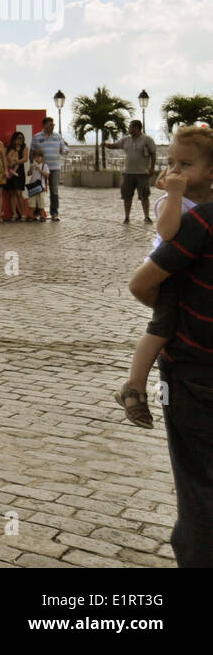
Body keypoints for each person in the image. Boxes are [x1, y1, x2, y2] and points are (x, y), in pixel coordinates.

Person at [129, 152, 213, 567]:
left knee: (200, 489)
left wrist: (171, 311)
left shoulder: (202, 222)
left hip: (197, 370)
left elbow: (141, 283)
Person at [117, 127, 213, 430]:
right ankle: (133, 387)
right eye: (171, 163)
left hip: (190, 276)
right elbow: (168, 233)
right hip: (167, 273)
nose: (175, 170)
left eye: (185, 165)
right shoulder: (175, 201)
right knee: (161, 329)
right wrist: (174, 193)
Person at [106, 120, 157, 224]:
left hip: (142, 173)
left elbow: (153, 154)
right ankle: (127, 217)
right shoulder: (126, 139)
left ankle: (146, 216)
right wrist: (106, 144)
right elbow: (115, 145)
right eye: (129, 127)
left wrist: (151, 168)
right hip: (128, 173)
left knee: (144, 195)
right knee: (127, 196)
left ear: (137, 128)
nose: (129, 129)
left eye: (131, 127)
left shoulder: (147, 140)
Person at [31, 116, 69, 220]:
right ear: (44, 125)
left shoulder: (57, 136)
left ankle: (54, 213)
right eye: (49, 125)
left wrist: (65, 150)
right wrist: (33, 165)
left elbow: (63, 147)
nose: (51, 127)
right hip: (41, 168)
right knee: (39, 190)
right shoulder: (37, 137)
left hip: (55, 167)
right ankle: (38, 213)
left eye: (53, 125)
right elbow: (32, 151)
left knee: (54, 191)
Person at [4, 131, 30, 221]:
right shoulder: (9, 148)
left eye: (22, 138)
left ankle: (23, 213)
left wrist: (16, 162)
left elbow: (25, 158)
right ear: (14, 139)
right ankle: (14, 213)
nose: (21, 140)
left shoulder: (24, 148)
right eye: (19, 138)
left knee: (19, 193)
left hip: (19, 172)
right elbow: (5, 158)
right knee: (12, 193)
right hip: (10, 171)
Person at [26, 150, 50, 221]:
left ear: (41, 158)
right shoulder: (32, 165)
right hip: (33, 186)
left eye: (38, 157)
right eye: (35, 157)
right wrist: (30, 169)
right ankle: (31, 216)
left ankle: (42, 216)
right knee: (31, 202)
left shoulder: (44, 166)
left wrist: (40, 170)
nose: (36, 159)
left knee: (41, 203)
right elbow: (28, 174)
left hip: (40, 187)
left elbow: (47, 175)